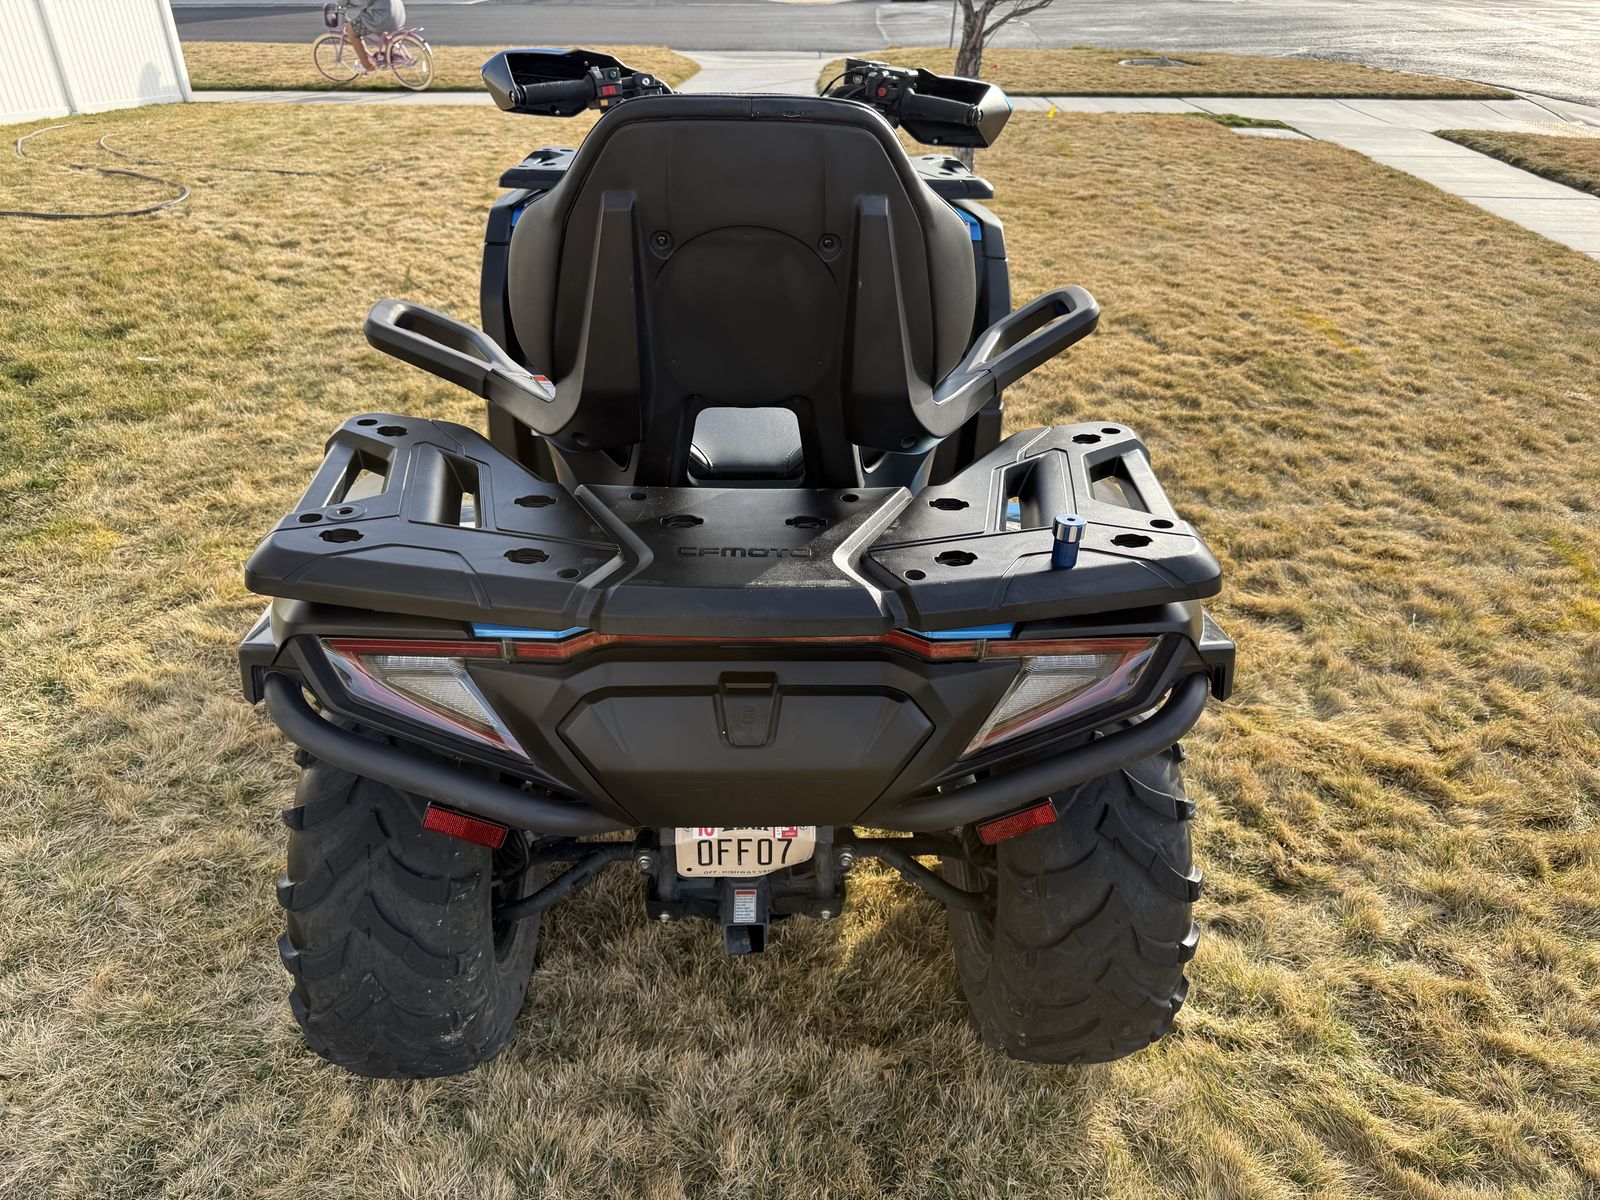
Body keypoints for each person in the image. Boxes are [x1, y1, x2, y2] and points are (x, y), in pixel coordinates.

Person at [342, 0, 405, 74]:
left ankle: (368, 67)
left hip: (382, 16)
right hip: (398, 13)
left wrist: (344, 3)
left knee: (351, 32)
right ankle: (397, 52)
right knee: (376, 27)